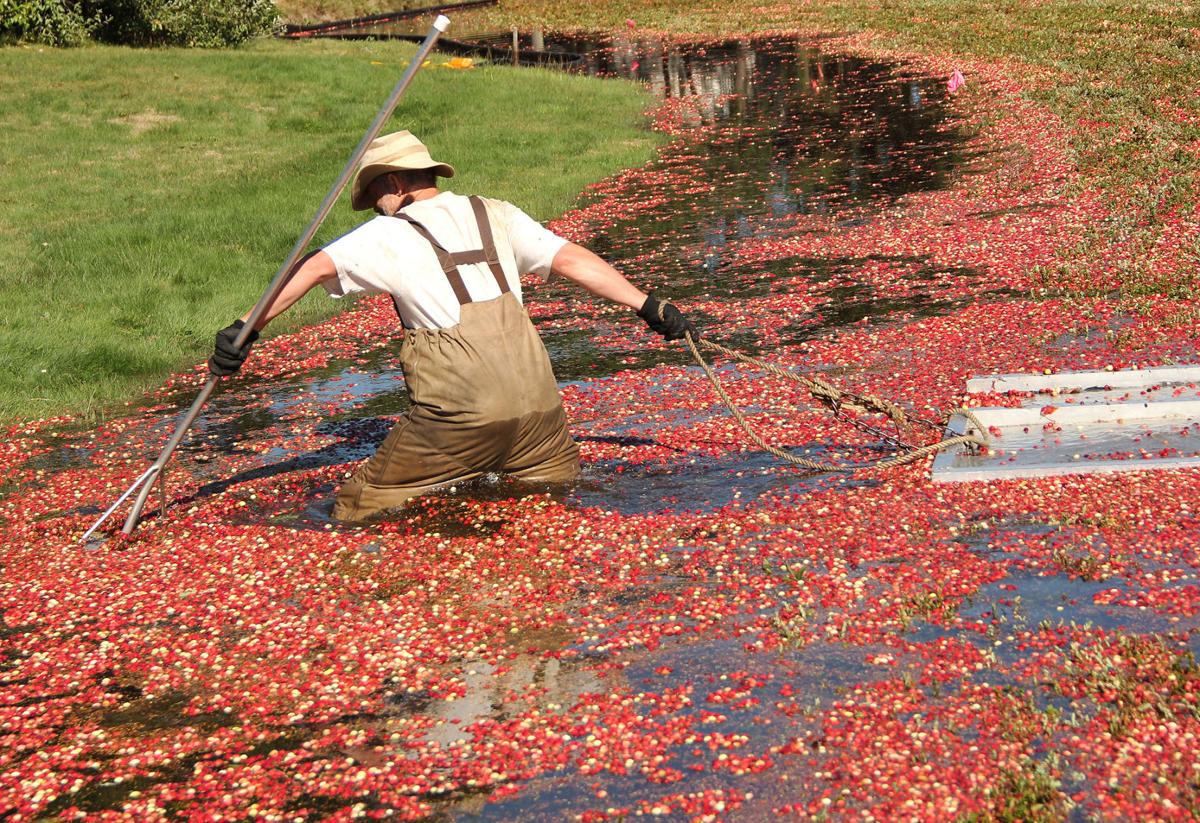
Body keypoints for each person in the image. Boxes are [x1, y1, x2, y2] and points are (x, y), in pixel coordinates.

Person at [209, 130, 698, 521]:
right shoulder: (496, 213)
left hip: (462, 414)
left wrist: (246, 328)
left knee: (358, 506)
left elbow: (314, 267)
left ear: (394, 184)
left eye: (374, 195)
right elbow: (570, 260)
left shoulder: (388, 233)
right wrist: (649, 306)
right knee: (549, 497)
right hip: (541, 411)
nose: (375, 206)